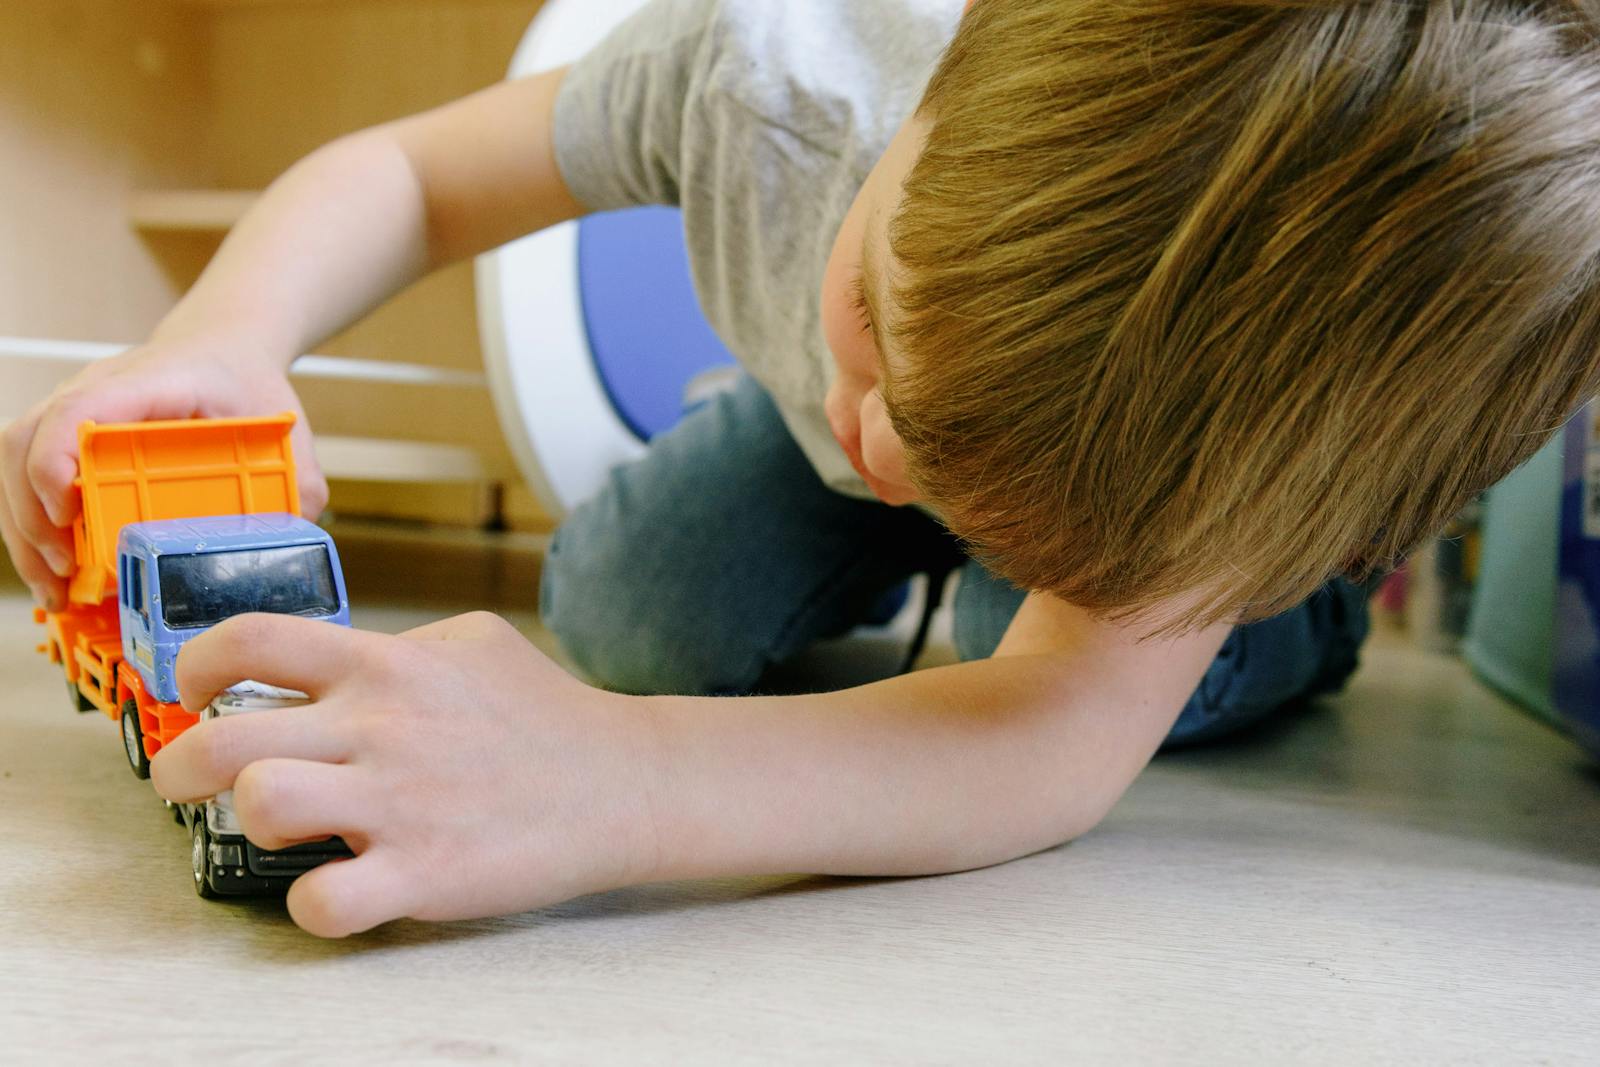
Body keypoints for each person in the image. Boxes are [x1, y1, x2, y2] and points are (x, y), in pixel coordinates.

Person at [5, 0, 1598, 938]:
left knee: (1007, 654)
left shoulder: (1219, 436)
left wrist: (619, 783)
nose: (889, 443)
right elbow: (412, 174)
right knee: (627, 612)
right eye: (884, 330)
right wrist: (226, 335)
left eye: (969, 467)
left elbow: (1038, 750)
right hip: (809, 423)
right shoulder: (766, 72)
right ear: (936, 92)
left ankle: (1275, 630)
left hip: (1129, 547)